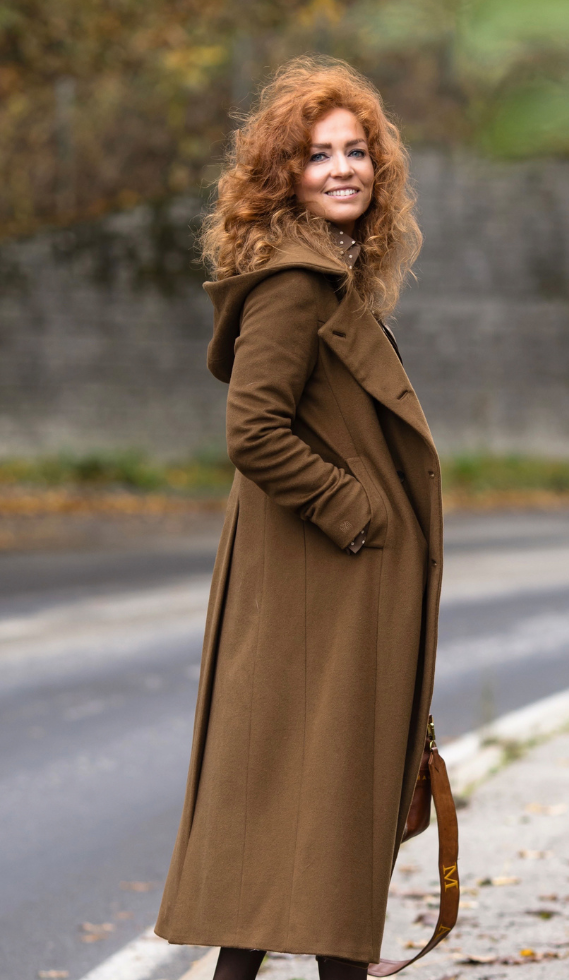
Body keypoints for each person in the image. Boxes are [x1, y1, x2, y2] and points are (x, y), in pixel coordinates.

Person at [154, 56, 443, 980]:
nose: (344, 169)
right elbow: (253, 431)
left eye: (357, 152)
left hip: (322, 585)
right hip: (317, 578)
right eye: (319, 157)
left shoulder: (332, 277)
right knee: (314, 805)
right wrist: (354, 512)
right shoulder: (292, 283)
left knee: (313, 817)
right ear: (286, 177)